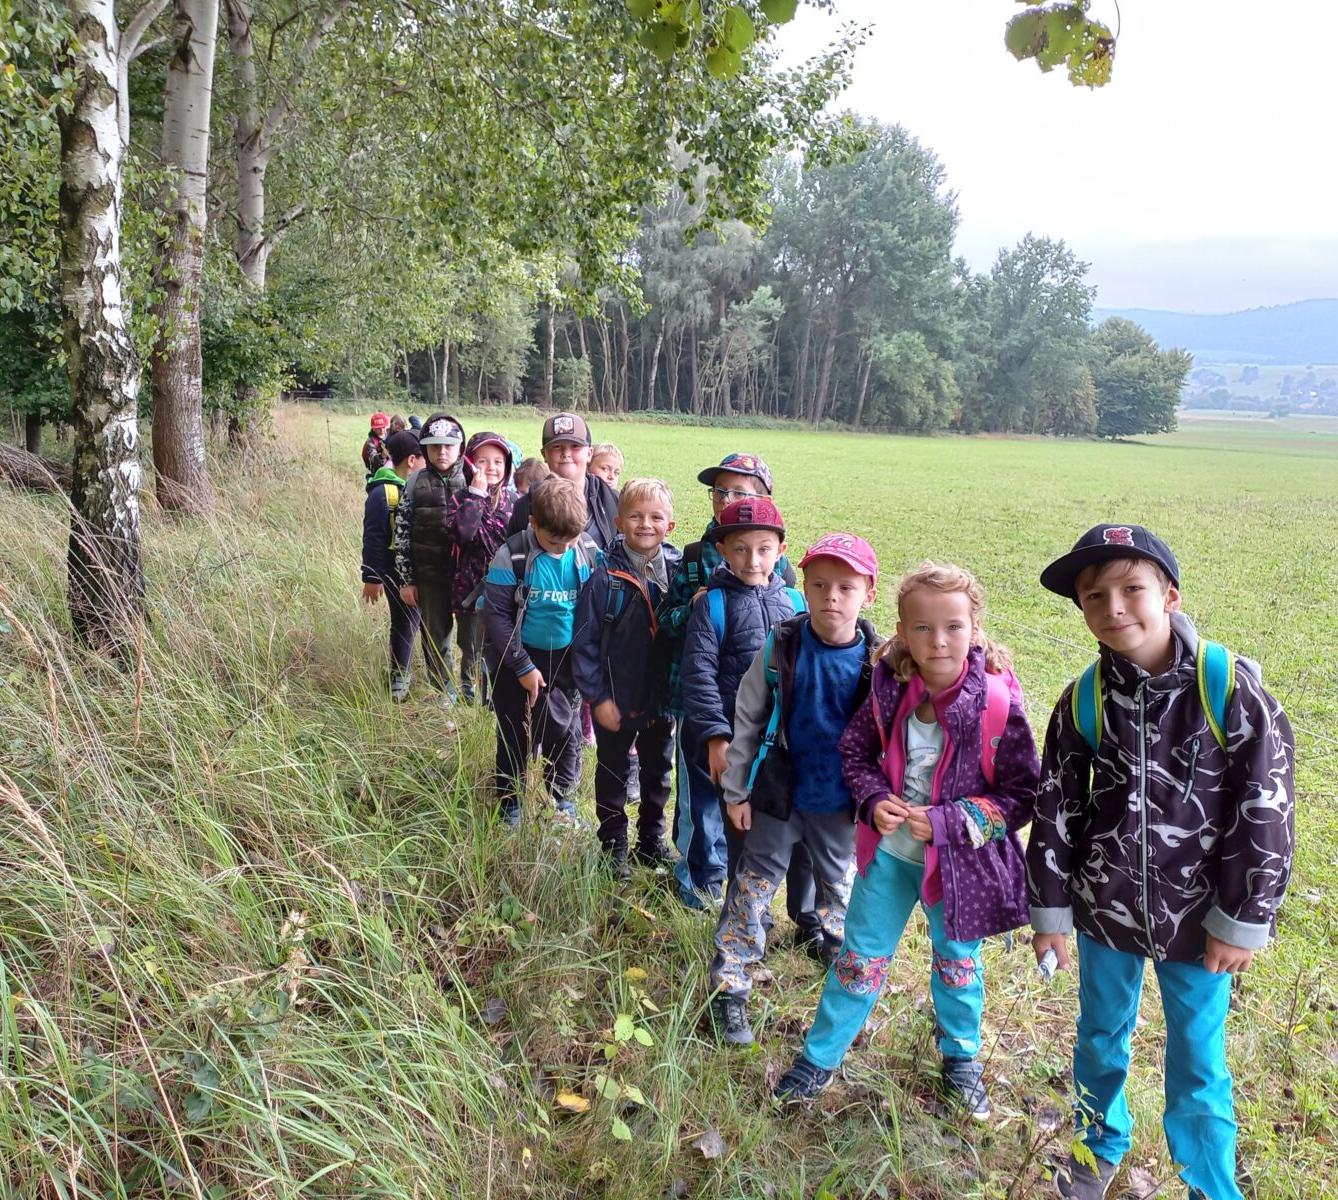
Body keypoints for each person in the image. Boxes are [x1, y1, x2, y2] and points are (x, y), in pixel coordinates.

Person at [1028, 525, 1295, 1200]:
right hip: (1104, 910)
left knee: (1198, 1056)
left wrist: (1242, 917)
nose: (1114, 607)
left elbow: (1266, 808)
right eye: (1094, 596)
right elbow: (1057, 806)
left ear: (1170, 595)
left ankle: (1208, 1182)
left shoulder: (1230, 690)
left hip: (1199, 921)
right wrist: (1051, 911)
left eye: (1132, 589)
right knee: (1098, 1036)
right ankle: (1095, 1148)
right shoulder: (1084, 700)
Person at [773, 562, 1040, 1122]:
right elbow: (855, 753)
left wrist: (952, 821)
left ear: (974, 628)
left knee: (958, 964)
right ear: (901, 630)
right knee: (858, 959)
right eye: (922, 627)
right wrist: (873, 799)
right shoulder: (889, 687)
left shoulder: (995, 703)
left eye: (953, 627)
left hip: (958, 868)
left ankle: (961, 1059)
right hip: (890, 857)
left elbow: (1022, 796)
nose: (938, 640)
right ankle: (819, 1058)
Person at [709, 533, 881, 1047]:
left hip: (842, 806)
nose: (832, 597)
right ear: (802, 586)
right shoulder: (781, 646)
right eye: (820, 585)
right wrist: (737, 791)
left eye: (846, 587)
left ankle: (848, 993)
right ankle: (730, 986)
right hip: (779, 797)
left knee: (843, 897)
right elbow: (747, 717)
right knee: (751, 889)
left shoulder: (881, 662)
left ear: (869, 593)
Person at [662, 454, 812, 922]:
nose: (753, 560)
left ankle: (750, 903)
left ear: (780, 550)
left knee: (752, 817)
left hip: (768, 739)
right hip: (715, 730)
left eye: (763, 549)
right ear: (724, 550)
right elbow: (698, 669)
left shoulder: (793, 598)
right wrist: (714, 736)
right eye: (741, 549)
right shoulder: (707, 593)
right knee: (704, 809)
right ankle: (698, 888)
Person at [572, 478, 680, 878]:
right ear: (618, 522)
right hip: (615, 701)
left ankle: (651, 841)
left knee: (658, 774)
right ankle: (613, 846)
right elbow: (584, 643)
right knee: (613, 774)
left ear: (670, 525)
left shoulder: (679, 573)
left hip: (660, 700)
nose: (645, 524)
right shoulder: (603, 577)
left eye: (656, 517)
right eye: (635, 516)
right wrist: (597, 697)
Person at [483, 476, 602, 828]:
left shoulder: (586, 552)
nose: (562, 547)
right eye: (554, 541)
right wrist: (522, 665)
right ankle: (511, 803)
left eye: (570, 539)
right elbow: (497, 616)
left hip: (566, 660)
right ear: (534, 523)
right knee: (514, 732)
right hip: (516, 658)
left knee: (566, 732)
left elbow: (596, 606)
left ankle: (560, 800)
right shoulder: (512, 556)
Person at [394, 412, 468, 713]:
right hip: (429, 576)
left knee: (472, 638)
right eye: (435, 446)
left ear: (460, 447)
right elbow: (402, 533)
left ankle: (472, 688)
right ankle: (444, 689)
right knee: (435, 636)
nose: (442, 452)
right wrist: (407, 579)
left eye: (448, 445)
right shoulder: (415, 482)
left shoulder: (473, 479)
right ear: (425, 449)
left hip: (467, 578)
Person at [448, 432, 515, 705]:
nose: (491, 468)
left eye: (498, 461)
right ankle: (469, 693)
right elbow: (463, 534)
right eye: (483, 461)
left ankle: (493, 696)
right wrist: (476, 494)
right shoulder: (461, 498)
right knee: (471, 645)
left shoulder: (513, 500)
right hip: (470, 588)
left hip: (505, 588)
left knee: (498, 643)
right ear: (469, 463)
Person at [360, 428, 424, 701]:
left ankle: (427, 671)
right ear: (411, 460)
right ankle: (399, 675)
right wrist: (372, 578)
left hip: (417, 571)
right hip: (394, 573)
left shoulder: (418, 487)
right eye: (424, 457)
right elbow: (373, 537)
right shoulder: (384, 492)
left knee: (421, 620)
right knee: (404, 621)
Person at [506, 412, 619, 548]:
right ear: (544, 454)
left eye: (575, 446)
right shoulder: (526, 507)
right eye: (557, 447)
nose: (566, 453)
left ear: (589, 453)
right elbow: (513, 555)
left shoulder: (612, 501)